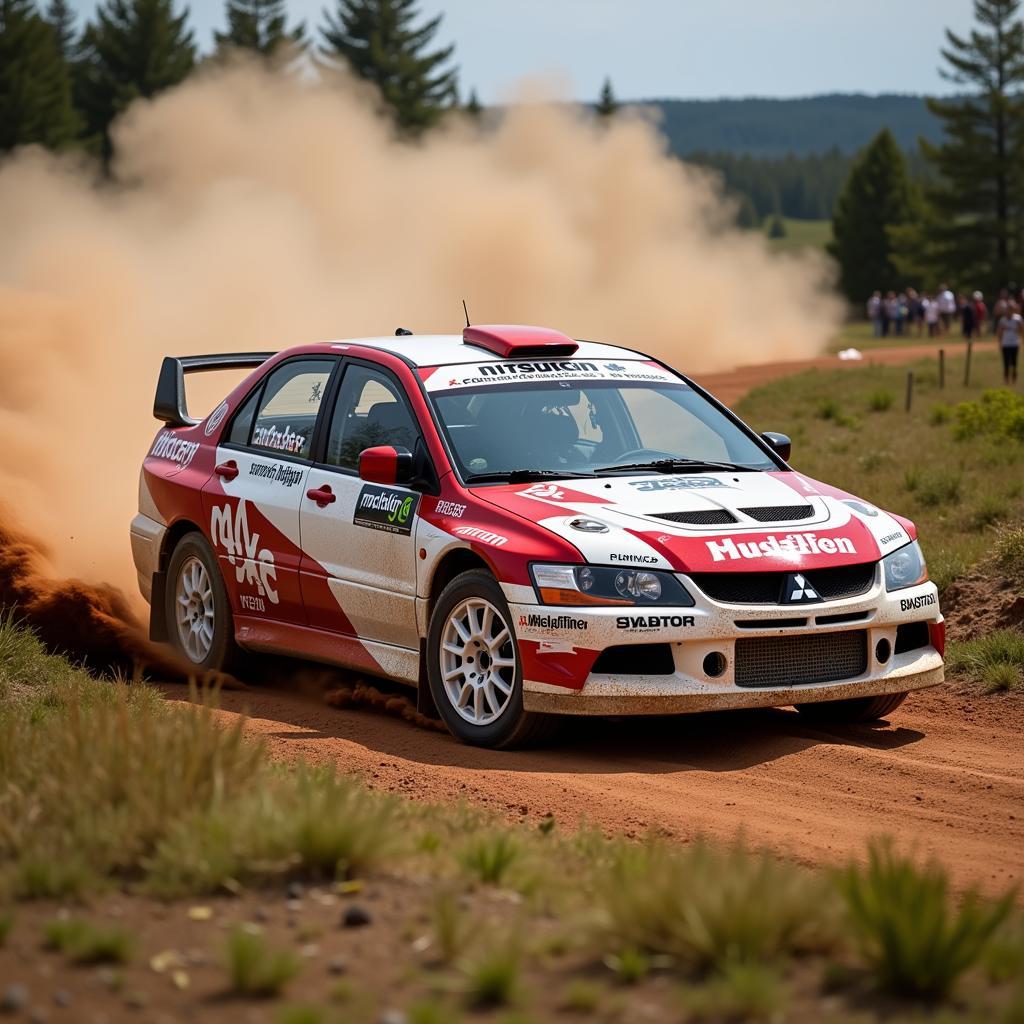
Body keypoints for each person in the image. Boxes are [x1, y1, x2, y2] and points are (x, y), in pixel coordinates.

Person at [997, 301, 1021, 384]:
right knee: (1006, 362)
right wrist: (999, 342)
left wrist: (1019, 328)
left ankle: (1014, 376)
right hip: (1006, 343)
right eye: (1008, 309)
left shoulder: (1018, 319)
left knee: (1014, 362)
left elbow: (1021, 330)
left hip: (1014, 343)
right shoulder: (1003, 320)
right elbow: (999, 332)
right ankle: (1006, 379)